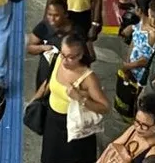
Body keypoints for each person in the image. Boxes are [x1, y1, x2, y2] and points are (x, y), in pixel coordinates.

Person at [33, 34, 110, 163]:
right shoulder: (58, 59)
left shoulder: (88, 78)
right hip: (52, 122)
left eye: (70, 57)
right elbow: (49, 82)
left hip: (73, 127)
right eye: (63, 54)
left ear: (80, 56)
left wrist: (80, 98)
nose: (64, 60)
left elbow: (105, 107)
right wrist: (34, 100)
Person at [105, 93, 155, 163]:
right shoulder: (133, 129)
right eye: (137, 121)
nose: (138, 128)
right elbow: (112, 147)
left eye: (144, 125)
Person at [27, 0, 72, 87]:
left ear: (65, 14)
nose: (52, 19)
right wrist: (42, 48)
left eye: (56, 15)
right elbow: (29, 47)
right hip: (45, 74)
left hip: (66, 76)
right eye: (49, 14)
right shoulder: (44, 26)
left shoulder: (75, 31)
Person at [119, 0, 155, 84]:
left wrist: (128, 66)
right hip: (132, 72)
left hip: (143, 78)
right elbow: (132, 45)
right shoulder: (138, 25)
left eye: (135, 6)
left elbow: (147, 60)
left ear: (139, 10)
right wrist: (127, 67)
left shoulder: (152, 33)